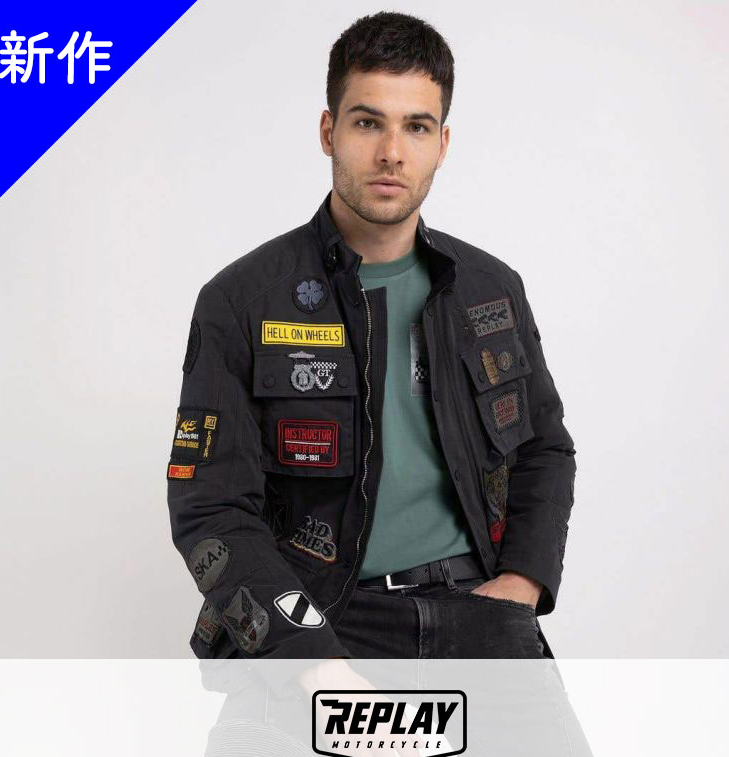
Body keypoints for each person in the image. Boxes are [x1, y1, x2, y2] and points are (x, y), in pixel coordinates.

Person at [167, 10, 576, 686]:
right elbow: (210, 506)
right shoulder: (241, 300)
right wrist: (313, 664)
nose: (392, 152)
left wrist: (522, 584)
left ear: (442, 143)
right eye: (367, 123)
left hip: (477, 606)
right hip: (318, 618)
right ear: (328, 131)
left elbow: (544, 448)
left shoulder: (490, 288)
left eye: (416, 126)